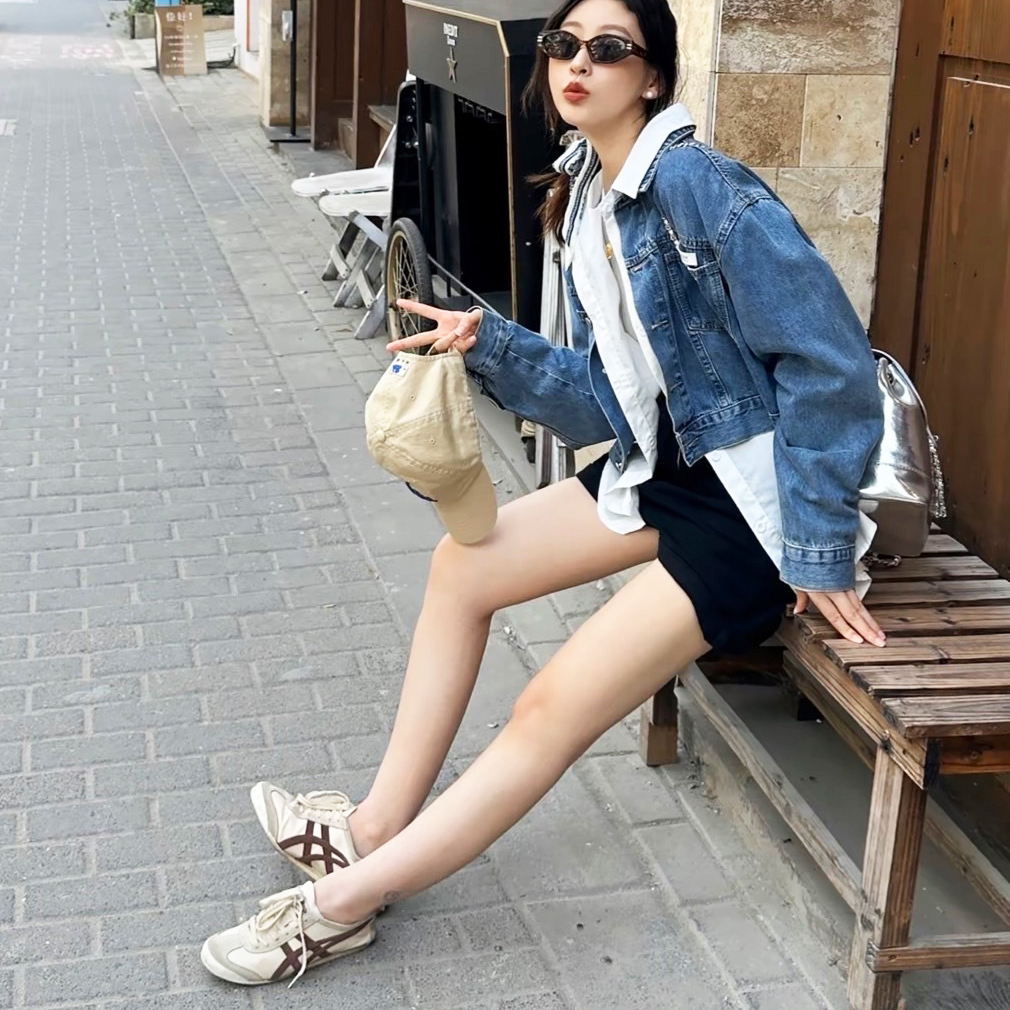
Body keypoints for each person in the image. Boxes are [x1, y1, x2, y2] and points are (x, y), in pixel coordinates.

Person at [200, 0, 887, 985]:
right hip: (665, 468)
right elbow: (606, 395)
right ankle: (372, 827)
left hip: (751, 509)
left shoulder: (699, 186)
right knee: (461, 568)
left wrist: (816, 547)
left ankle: (339, 908)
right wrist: (491, 345)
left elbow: (830, 364)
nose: (577, 64)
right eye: (564, 45)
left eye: (608, 50)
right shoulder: (591, 191)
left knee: (547, 704)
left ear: (652, 76)